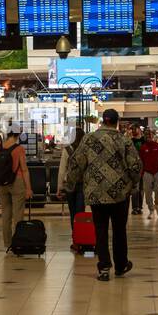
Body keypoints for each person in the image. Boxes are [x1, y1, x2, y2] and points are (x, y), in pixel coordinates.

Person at [63, 108, 141, 282]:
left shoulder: (89, 139)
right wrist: (133, 183)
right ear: (116, 121)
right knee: (119, 230)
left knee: (100, 229)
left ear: (102, 121)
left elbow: (76, 163)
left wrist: (70, 184)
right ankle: (121, 265)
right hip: (120, 194)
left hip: (96, 193)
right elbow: (135, 165)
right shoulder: (124, 139)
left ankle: (104, 267)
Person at [0, 130, 33, 251]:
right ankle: (18, 243)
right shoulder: (19, 149)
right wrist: (28, 188)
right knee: (18, 214)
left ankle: (7, 243)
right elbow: (24, 169)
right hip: (16, 182)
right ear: (17, 135)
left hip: (1, 184)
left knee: (5, 214)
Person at [57, 127, 86, 252]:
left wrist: (59, 187)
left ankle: (76, 241)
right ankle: (82, 239)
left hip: (70, 185)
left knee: (73, 213)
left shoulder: (67, 150)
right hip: (82, 184)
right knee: (80, 213)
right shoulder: (86, 150)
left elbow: (62, 170)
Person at [139, 128, 158, 218]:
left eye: (151, 135)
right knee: (148, 192)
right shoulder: (143, 148)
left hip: (157, 172)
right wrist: (141, 173)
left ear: (153, 136)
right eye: (147, 135)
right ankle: (151, 210)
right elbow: (141, 162)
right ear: (145, 137)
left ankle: (157, 204)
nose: (149, 137)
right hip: (147, 172)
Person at [128, 124, 145, 215]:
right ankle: (135, 207)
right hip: (134, 168)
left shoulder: (144, 141)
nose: (133, 131)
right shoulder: (130, 141)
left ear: (139, 129)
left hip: (143, 167)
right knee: (135, 188)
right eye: (132, 129)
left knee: (141, 188)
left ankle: (139, 206)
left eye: (135, 129)